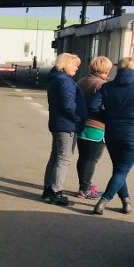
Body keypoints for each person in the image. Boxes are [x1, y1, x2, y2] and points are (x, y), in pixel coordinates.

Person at [90, 56, 134, 215]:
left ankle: (126, 202)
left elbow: (93, 106)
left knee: (118, 169)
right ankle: (103, 201)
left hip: (112, 133)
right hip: (131, 136)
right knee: (121, 171)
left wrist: (107, 118)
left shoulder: (107, 87)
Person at [41, 53, 86, 207]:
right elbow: (69, 105)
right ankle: (56, 192)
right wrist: (79, 118)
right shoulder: (65, 82)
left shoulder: (56, 79)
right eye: (74, 65)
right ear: (65, 64)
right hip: (66, 125)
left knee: (55, 157)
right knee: (64, 158)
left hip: (58, 123)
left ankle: (48, 189)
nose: (77, 68)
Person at [75, 56, 112, 199]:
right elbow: (103, 106)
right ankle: (85, 189)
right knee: (91, 159)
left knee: (83, 157)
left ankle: (83, 186)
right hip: (96, 126)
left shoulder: (82, 81)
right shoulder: (102, 85)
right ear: (106, 69)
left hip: (81, 124)